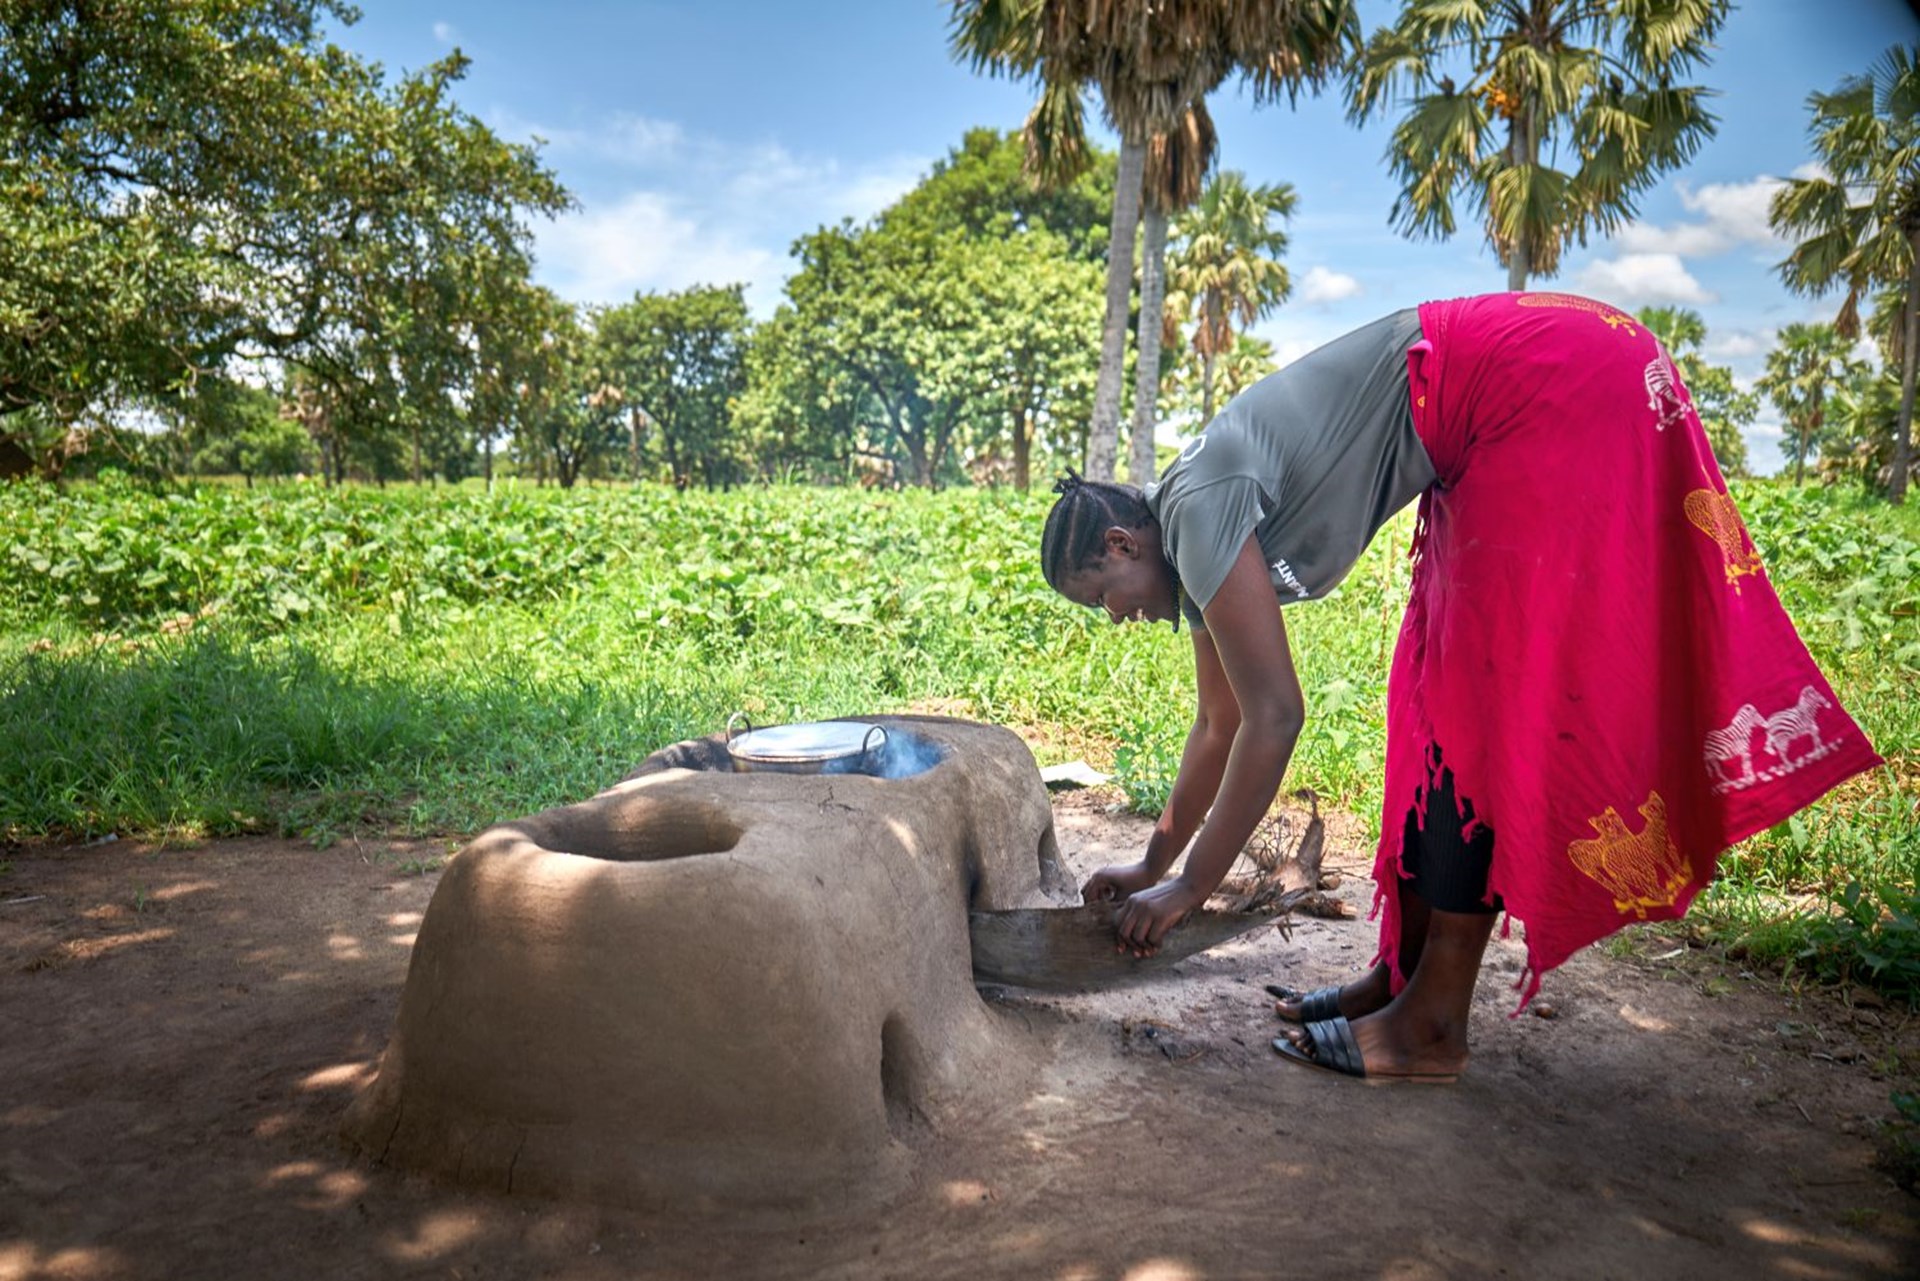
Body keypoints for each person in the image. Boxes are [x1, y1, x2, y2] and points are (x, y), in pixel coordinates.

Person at [1042, 291, 1882, 1083]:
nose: (1116, 617)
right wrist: (1152, 858)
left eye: (1100, 599)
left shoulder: (1197, 508)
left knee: (1474, 718)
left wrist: (1190, 887)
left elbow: (1275, 716)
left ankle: (1434, 1022)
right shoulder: (1188, 532)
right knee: (1432, 703)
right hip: (1497, 416)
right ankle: (1406, 976)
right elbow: (1218, 723)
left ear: (1121, 544)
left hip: (1551, 387)